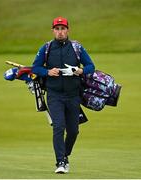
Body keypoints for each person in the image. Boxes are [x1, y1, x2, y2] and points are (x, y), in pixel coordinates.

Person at [32, 16, 95, 173]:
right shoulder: (46, 48)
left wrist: (79, 71)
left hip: (73, 95)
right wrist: (47, 72)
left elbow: (91, 66)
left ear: (68, 30)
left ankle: (65, 156)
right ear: (53, 31)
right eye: (57, 29)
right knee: (59, 127)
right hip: (54, 95)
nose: (60, 32)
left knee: (73, 131)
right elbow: (35, 68)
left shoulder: (77, 47)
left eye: (63, 29)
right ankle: (60, 162)